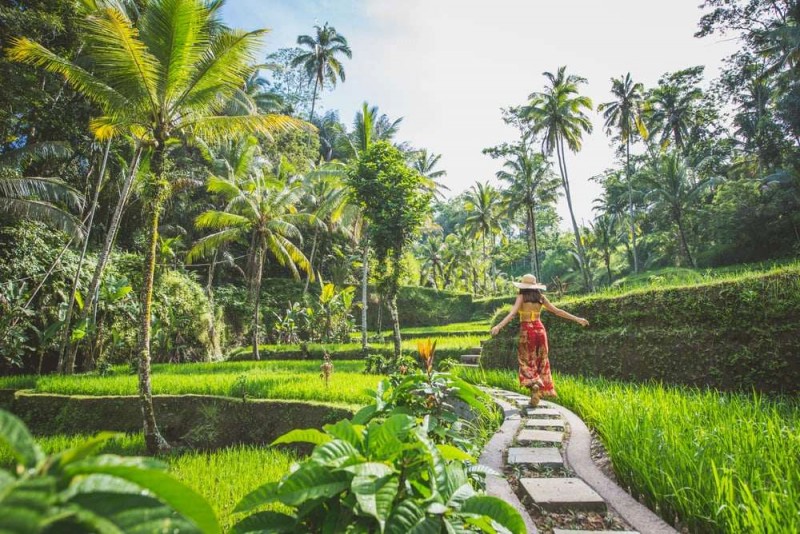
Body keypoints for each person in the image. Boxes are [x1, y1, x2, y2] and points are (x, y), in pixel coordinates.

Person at [490, 274, 589, 406]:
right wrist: (578, 319)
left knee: (526, 360)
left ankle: (534, 385)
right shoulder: (541, 298)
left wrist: (498, 326)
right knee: (541, 360)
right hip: (540, 330)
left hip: (527, 331)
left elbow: (512, 313)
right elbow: (558, 311)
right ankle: (537, 390)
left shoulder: (522, 297)